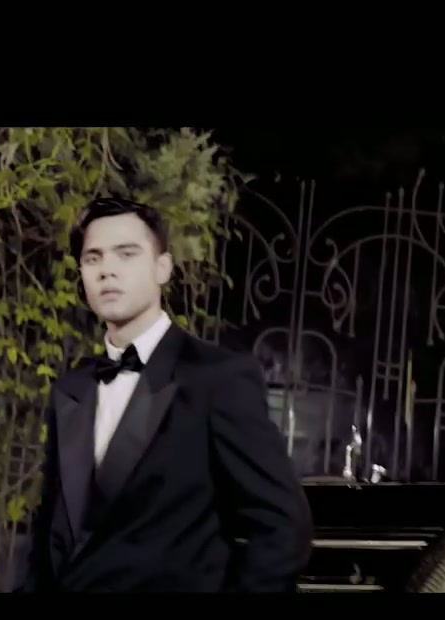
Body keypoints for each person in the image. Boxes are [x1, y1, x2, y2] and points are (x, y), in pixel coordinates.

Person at [19, 196, 312, 592]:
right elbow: (49, 530)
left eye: (126, 254)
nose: (107, 270)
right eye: (93, 258)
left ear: (163, 268)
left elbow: (282, 526)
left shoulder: (218, 378)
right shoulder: (72, 388)